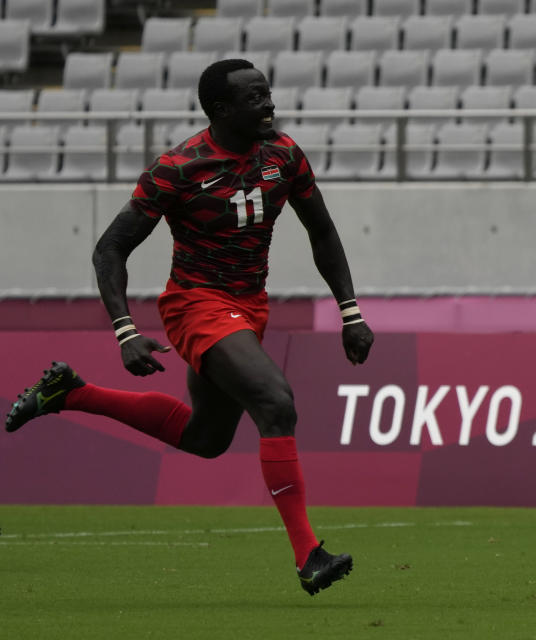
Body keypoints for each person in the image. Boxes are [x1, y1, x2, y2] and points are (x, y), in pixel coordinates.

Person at [5, 59, 374, 596]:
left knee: (206, 438)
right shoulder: (180, 167)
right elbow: (111, 248)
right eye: (254, 98)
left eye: (268, 94)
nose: (268, 105)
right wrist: (126, 330)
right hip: (196, 304)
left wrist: (351, 312)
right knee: (275, 401)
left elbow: (323, 231)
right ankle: (308, 554)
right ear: (221, 110)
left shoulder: (284, 154)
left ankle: (71, 393)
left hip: (249, 308)